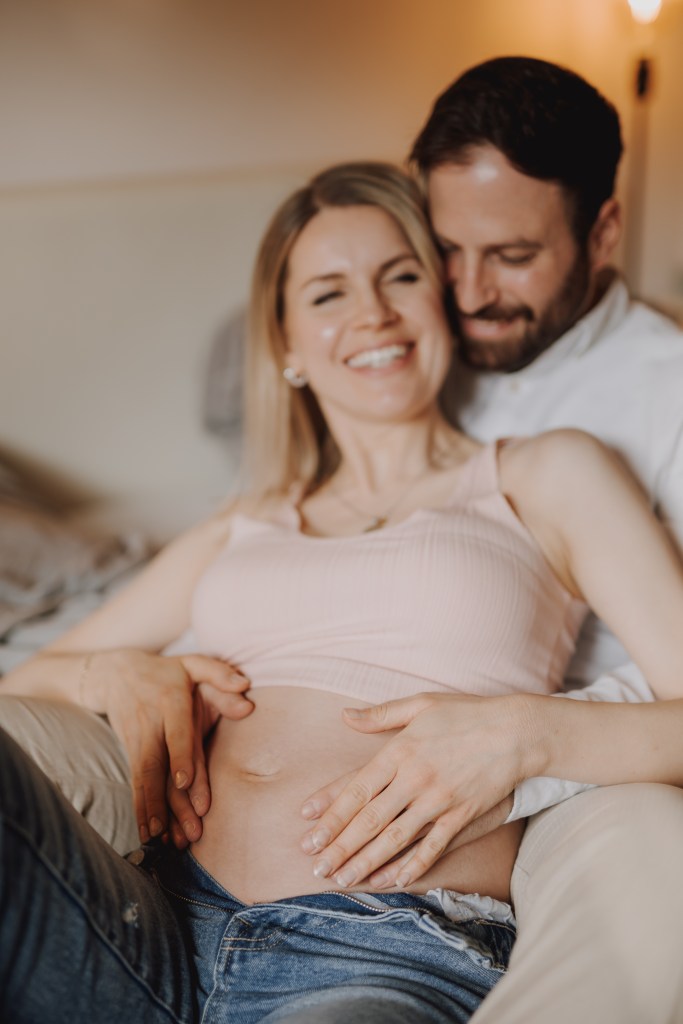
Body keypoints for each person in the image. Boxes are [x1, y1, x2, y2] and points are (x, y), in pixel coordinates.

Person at [3, 159, 683, 1024]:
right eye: (327, 294)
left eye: (400, 276)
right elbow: (27, 681)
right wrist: (111, 673)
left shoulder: (545, 473)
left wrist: (531, 734)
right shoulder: (239, 524)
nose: (372, 313)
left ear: (439, 299)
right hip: (151, 931)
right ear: (285, 342)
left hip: (377, 951)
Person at [295, 58, 683, 1023]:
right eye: (444, 250)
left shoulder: (669, 394)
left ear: (601, 231)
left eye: (510, 255)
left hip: (597, 775)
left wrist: (521, 735)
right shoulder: (412, 345)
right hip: (343, 797)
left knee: (655, 882)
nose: (465, 293)